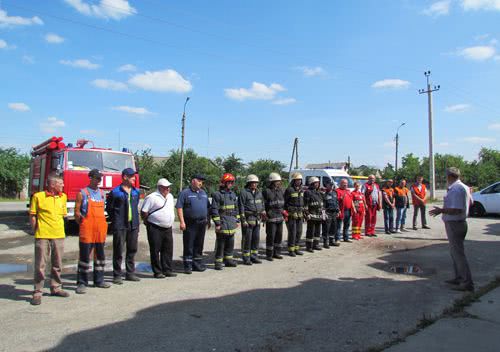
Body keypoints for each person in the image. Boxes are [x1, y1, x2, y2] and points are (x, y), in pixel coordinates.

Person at [430, 167, 474, 292]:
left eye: (446, 176)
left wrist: (441, 210)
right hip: (459, 222)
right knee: (455, 253)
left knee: (458, 254)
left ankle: (467, 283)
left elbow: (456, 209)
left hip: (455, 223)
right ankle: (459, 277)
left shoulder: (456, 189)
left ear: (449, 176)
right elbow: (471, 202)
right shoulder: (464, 187)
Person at [29, 173, 70, 305]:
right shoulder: (38, 197)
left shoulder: (63, 197)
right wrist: (35, 230)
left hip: (58, 234)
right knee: (40, 265)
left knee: (57, 263)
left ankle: (56, 287)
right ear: (52, 184)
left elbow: (63, 215)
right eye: (60, 183)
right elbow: (33, 215)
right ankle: (37, 291)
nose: (63, 185)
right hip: (43, 235)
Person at [74, 169, 111, 294]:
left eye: (99, 178)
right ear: (90, 178)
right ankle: (82, 282)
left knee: (100, 256)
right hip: (87, 228)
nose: (98, 181)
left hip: (100, 229)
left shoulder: (102, 193)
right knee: (84, 256)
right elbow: (77, 212)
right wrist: (83, 223)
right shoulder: (82, 193)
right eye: (96, 178)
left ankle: (99, 280)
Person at [106, 168, 141, 284]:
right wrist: (116, 220)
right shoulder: (116, 192)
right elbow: (109, 208)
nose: (134, 178)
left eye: (134, 176)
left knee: (132, 249)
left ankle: (130, 273)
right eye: (131, 176)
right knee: (118, 250)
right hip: (120, 225)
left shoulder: (136, 192)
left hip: (133, 225)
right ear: (124, 177)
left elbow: (136, 208)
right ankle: (117, 275)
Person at [141, 178, 177, 279]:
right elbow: (144, 212)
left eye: (169, 187)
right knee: (155, 250)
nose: (168, 189)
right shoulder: (151, 197)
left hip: (167, 227)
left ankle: (167, 269)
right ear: (160, 187)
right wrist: (147, 221)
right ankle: (157, 271)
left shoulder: (170, 196)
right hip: (155, 226)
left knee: (168, 249)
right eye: (166, 187)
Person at [176, 174, 211, 274]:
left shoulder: (203, 193)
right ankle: (187, 265)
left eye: (202, 181)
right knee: (189, 244)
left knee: (199, 245)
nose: (201, 183)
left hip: (202, 223)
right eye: (199, 181)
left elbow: (208, 207)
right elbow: (179, 207)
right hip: (190, 223)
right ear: (193, 181)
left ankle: (197, 264)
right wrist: (182, 222)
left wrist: (208, 220)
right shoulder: (185, 193)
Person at [211, 173, 240, 270]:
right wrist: (217, 224)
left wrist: (237, 219)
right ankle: (218, 262)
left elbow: (236, 208)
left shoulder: (233, 194)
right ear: (223, 182)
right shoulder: (217, 195)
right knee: (221, 244)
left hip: (231, 221)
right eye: (229, 182)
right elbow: (214, 210)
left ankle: (228, 260)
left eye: (232, 182)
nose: (230, 184)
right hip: (222, 221)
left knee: (230, 242)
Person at [238, 174, 266, 265]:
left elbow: (262, 203)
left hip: (257, 219)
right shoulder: (244, 193)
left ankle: (254, 256)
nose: (255, 184)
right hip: (248, 219)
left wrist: (263, 211)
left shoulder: (259, 192)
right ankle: (246, 258)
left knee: (256, 239)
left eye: (256, 183)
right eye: (253, 183)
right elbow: (241, 206)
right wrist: (243, 220)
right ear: (249, 183)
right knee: (247, 239)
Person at [263, 172, 286, 261]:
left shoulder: (281, 190)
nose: (279, 183)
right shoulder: (266, 191)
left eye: (279, 181)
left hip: (280, 217)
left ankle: (277, 253)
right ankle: (269, 254)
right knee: (271, 236)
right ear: (272, 182)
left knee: (279, 236)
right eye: (277, 181)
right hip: (271, 217)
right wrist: (265, 214)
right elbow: (263, 204)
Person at [284, 172, 305, 256]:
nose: (299, 181)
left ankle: (296, 248)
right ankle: (291, 249)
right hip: (292, 215)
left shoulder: (301, 189)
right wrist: (290, 211)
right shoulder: (289, 190)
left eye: (300, 180)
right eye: (297, 180)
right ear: (293, 181)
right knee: (292, 232)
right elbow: (285, 203)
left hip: (300, 214)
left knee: (299, 232)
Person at [304, 176, 324, 252]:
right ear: (311, 183)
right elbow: (305, 204)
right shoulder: (307, 192)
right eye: (316, 183)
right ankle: (309, 246)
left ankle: (316, 244)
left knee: (317, 231)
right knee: (310, 231)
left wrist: (323, 212)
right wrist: (307, 213)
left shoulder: (319, 192)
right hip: (311, 215)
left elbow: (322, 203)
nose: (317, 184)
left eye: (318, 183)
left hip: (318, 214)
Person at [336, 178, 355, 244]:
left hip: (348, 210)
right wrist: (338, 210)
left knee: (347, 225)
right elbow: (336, 201)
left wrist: (354, 208)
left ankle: (346, 238)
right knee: (338, 226)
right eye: (344, 183)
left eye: (346, 183)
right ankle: (337, 239)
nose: (345, 184)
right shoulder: (337, 191)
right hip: (341, 210)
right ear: (340, 183)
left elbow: (351, 200)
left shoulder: (348, 191)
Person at [322, 179, 340, 248]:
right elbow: (322, 205)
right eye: (330, 185)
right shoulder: (324, 194)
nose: (331, 186)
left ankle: (331, 241)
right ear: (326, 185)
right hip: (327, 213)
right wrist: (324, 214)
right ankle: (325, 242)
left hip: (334, 213)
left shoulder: (334, 192)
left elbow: (336, 202)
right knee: (326, 228)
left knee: (333, 227)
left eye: (332, 185)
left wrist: (338, 211)